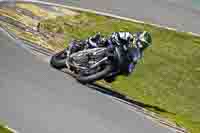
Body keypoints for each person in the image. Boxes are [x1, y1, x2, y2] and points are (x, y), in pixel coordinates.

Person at [67, 31, 152, 81]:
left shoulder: (138, 54)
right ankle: (81, 44)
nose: (142, 45)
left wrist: (128, 70)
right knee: (101, 41)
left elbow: (133, 64)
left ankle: (91, 69)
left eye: (144, 45)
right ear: (138, 38)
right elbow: (115, 35)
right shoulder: (129, 36)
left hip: (116, 58)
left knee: (111, 78)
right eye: (142, 43)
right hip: (111, 46)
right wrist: (116, 40)